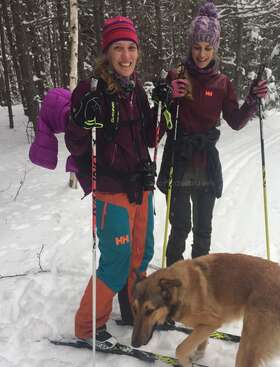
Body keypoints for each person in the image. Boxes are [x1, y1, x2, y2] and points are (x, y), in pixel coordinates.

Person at [65, 16, 157, 350]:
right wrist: (79, 119)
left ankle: (135, 311)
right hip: (110, 188)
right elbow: (76, 143)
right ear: (107, 52)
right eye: (118, 48)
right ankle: (87, 327)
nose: (126, 55)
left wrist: (165, 109)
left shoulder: (137, 90)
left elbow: (150, 136)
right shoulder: (90, 90)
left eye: (131, 48)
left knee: (141, 253)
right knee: (116, 259)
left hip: (141, 185)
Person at [153, 0, 268, 266]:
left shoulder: (222, 83)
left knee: (203, 231)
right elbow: (159, 126)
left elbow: (236, 121)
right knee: (180, 228)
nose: (202, 54)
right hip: (179, 160)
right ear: (190, 47)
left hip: (205, 161)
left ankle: (199, 286)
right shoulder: (176, 75)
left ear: (215, 47)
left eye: (207, 48)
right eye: (197, 47)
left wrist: (253, 99)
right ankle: (173, 279)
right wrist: (167, 96)